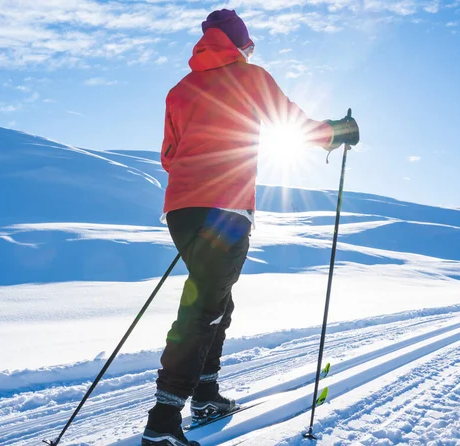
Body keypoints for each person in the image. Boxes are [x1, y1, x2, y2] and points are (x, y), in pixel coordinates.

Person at [142, 9, 359, 446]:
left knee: (216, 301)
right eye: (249, 46)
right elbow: (294, 126)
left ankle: (205, 394)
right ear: (240, 44)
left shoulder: (179, 90)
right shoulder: (249, 76)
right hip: (225, 208)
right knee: (203, 309)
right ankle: (164, 420)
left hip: (181, 209)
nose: (250, 52)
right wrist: (341, 131)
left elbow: (169, 155)